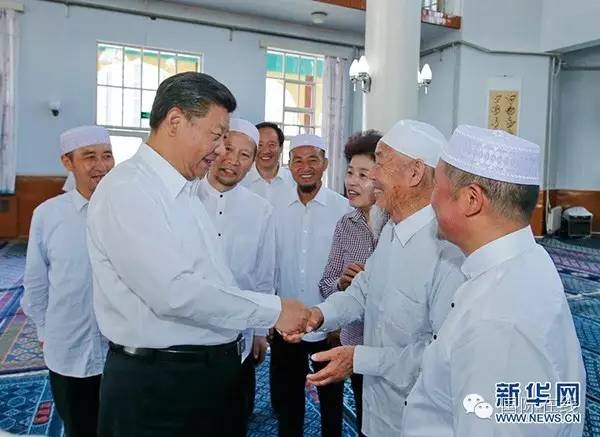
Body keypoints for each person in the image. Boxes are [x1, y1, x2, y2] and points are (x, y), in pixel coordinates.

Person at [86, 72, 309, 437]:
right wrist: (274, 310)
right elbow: (174, 292)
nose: (220, 150)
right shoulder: (129, 189)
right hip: (160, 388)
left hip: (205, 378)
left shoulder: (185, 190)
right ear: (176, 121)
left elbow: (214, 280)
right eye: (216, 135)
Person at [402, 125, 586, 436]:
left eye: (437, 187)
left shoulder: (497, 321)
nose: (430, 200)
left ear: (471, 200)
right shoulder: (524, 258)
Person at [288, 120, 466, 436]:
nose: (372, 176)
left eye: (380, 164)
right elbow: (362, 291)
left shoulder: (448, 251)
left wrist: (360, 359)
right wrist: (319, 315)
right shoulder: (392, 231)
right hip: (376, 411)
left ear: (415, 173)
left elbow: (442, 354)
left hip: (418, 420)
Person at [22, 125, 114, 437]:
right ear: (67, 162)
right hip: (68, 347)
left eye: (107, 155)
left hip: (120, 350)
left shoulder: (125, 211)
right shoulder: (48, 215)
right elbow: (36, 283)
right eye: (89, 157)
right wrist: (44, 329)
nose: (101, 165)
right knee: (79, 427)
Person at [270, 133, 351, 437]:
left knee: (331, 401)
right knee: (288, 401)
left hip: (329, 323)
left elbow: (348, 269)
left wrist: (340, 322)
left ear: (325, 164)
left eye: (313, 160)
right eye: (298, 160)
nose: (305, 167)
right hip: (286, 322)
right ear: (289, 165)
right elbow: (269, 263)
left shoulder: (343, 209)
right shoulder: (275, 208)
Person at [198, 118, 275, 426]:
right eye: (228, 149)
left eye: (245, 155)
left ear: (252, 162)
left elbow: (263, 276)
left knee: (233, 419)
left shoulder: (260, 210)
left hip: (238, 338)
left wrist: (260, 332)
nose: (233, 160)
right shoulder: (185, 197)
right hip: (187, 339)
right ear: (215, 148)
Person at [318, 130, 383, 437]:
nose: (352, 182)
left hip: (391, 348)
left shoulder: (398, 227)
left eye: (363, 175)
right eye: (349, 173)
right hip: (355, 343)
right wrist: (342, 284)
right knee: (363, 419)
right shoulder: (346, 224)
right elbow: (325, 283)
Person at [241, 121, 293, 204]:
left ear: (281, 148)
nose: (265, 151)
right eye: (260, 145)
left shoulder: (294, 182)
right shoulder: (240, 180)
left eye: (271, 145)